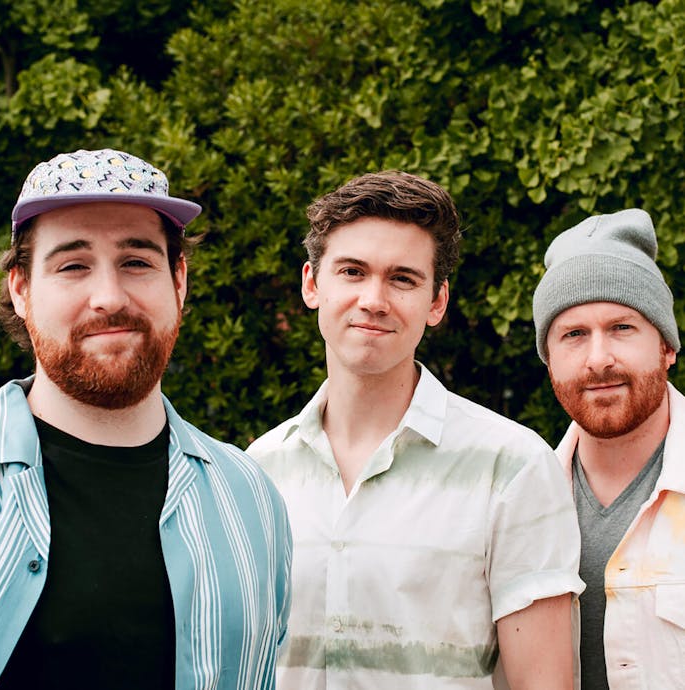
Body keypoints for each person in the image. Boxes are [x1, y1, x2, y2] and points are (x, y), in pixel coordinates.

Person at [247, 170, 584, 690]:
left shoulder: (513, 466)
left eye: (402, 279)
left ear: (437, 302)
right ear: (312, 284)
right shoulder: (258, 471)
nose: (374, 299)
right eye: (352, 272)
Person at [0, 148, 291, 690]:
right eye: (73, 265)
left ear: (179, 280)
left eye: (136, 262)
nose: (109, 298)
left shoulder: (252, 497)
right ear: (21, 289)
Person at [532, 208, 685, 689]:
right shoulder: (518, 499)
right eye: (574, 335)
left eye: (622, 327)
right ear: (549, 360)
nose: (599, 360)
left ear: (667, 347)